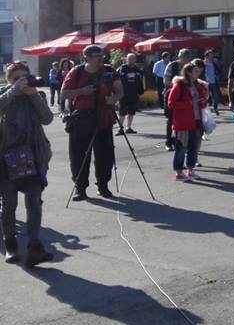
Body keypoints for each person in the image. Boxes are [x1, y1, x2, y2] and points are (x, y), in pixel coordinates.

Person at [0, 62, 55, 265]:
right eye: (17, 79)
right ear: (9, 81)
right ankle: (11, 246)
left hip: (32, 158)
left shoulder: (36, 95)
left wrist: (32, 94)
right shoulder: (5, 94)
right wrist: (13, 91)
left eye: (25, 77)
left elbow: (47, 118)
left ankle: (34, 247)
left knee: (34, 201)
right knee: (9, 205)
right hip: (6, 159)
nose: (22, 82)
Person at [61, 45, 123, 201]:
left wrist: (114, 99)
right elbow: (64, 93)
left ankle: (103, 186)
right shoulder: (77, 72)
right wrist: (82, 91)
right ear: (86, 57)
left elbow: (120, 90)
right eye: (97, 56)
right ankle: (80, 189)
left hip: (104, 117)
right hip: (82, 119)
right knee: (79, 156)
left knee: (105, 155)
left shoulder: (109, 70)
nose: (101, 58)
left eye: (102, 55)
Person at [167, 63, 208, 181]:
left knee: (193, 147)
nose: (198, 73)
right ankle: (179, 172)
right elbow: (171, 103)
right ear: (189, 72)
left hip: (196, 120)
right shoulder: (179, 85)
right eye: (195, 71)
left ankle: (191, 170)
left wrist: (203, 100)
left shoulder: (198, 85)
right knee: (181, 147)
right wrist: (187, 104)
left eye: (198, 71)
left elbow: (202, 102)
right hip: (183, 121)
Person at [164, 49, 192, 151]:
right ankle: (168, 142)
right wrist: (178, 84)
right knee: (170, 119)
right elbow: (166, 81)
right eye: (185, 58)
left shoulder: (190, 67)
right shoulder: (172, 66)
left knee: (182, 120)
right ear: (180, 57)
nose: (187, 61)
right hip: (172, 94)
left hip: (185, 97)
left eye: (188, 58)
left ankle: (178, 141)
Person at [116, 53, 144, 136]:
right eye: (129, 59)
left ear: (135, 60)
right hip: (123, 94)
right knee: (122, 112)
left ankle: (129, 127)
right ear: (126, 60)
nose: (131, 61)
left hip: (134, 93)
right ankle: (120, 128)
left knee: (131, 112)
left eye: (133, 59)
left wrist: (140, 91)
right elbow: (116, 81)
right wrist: (117, 91)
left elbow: (140, 81)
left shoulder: (137, 70)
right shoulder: (122, 69)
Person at [203, 50, 222, 115]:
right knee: (205, 96)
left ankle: (215, 108)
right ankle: (204, 109)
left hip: (213, 82)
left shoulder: (213, 63)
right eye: (210, 56)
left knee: (215, 96)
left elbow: (218, 70)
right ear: (206, 56)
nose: (212, 57)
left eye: (212, 56)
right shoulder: (203, 64)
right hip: (206, 83)